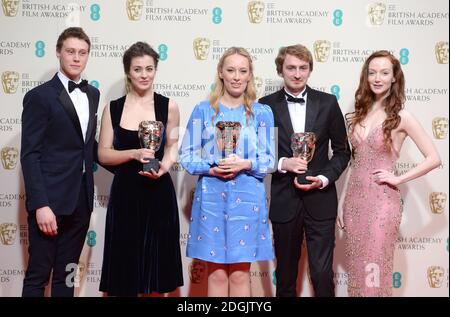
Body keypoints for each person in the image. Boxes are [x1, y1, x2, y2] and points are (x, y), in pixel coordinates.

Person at [338, 50, 441, 297]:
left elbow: (434, 158)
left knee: (374, 269)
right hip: (353, 202)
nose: (377, 78)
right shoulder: (357, 115)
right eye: (372, 72)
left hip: (382, 204)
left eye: (384, 73)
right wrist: (342, 201)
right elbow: (355, 162)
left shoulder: (402, 117)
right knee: (357, 271)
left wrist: (398, 179)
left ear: (394, 78)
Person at [180, 47, 275, 297]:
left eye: (242, 71)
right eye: (230, 70)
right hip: (212, 198)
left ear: (249, 75)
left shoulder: (262, 112)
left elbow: (269, 160)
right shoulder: (203, 110)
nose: (236, 76)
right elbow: (186, 156)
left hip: (248, 200)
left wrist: (245, 164)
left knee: (241, 274)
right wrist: (212, 169)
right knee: (217, 275)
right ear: (220, 73)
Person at [259, 44, 350, 297]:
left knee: (322, 275)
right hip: (284, 200)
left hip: (320, 201)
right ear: (281, 70)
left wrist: (323, 178)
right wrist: (282, 164)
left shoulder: (328, 102)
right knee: (286, 276)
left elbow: (343, 151)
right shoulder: (265, 106)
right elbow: (258, 154)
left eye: (303, 68)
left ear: (310, 70)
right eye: (291, 68)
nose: (297, 74)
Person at [98, 41, 183, 296]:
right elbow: (103, 154)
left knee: (158, 272)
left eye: (149, 68)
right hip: (126, 196)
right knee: (125, 271)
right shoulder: (112, 108)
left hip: (158, 193)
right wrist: (134, 153)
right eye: (138, 69)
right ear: (128, 72)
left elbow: (172, 146)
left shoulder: (169, 106)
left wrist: (165, 167)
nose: (144, 75)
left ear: (156, 70)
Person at [20, 27, 99, 297]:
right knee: (38, 276)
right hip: (50, 202)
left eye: (82, 53)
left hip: (80, 201)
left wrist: (132, 159)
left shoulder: (92, 95)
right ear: (58, 52)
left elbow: (87, 146)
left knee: (66, 276)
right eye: (70, 51)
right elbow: (30, 154)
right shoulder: (39, 97)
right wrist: (40, 204)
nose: (76, 58)